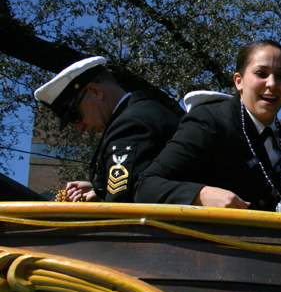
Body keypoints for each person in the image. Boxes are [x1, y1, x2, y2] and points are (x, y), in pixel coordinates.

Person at [134, 40, 281, 210]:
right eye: (261, 74)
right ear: (238, 81)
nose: (272, 83)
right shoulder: (209, 122)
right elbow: (145, 186)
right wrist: (200, 195)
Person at [34, 56, 180, 203]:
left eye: (75, 116)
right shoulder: (142, 111)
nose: (79, 128)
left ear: (95, 91)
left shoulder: (129, 125)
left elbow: (122, 206)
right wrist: (100, 191)